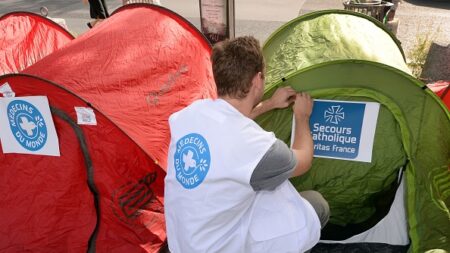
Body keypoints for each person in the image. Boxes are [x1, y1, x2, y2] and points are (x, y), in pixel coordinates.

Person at [164, 36, 329, 253]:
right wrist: (302, 117)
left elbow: (230, 124)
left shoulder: (188, 116)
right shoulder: (259, 148)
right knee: (316, 206)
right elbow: (304, 159)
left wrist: (269, 104)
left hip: (185, 242)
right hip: (220, 247)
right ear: (258, 80)